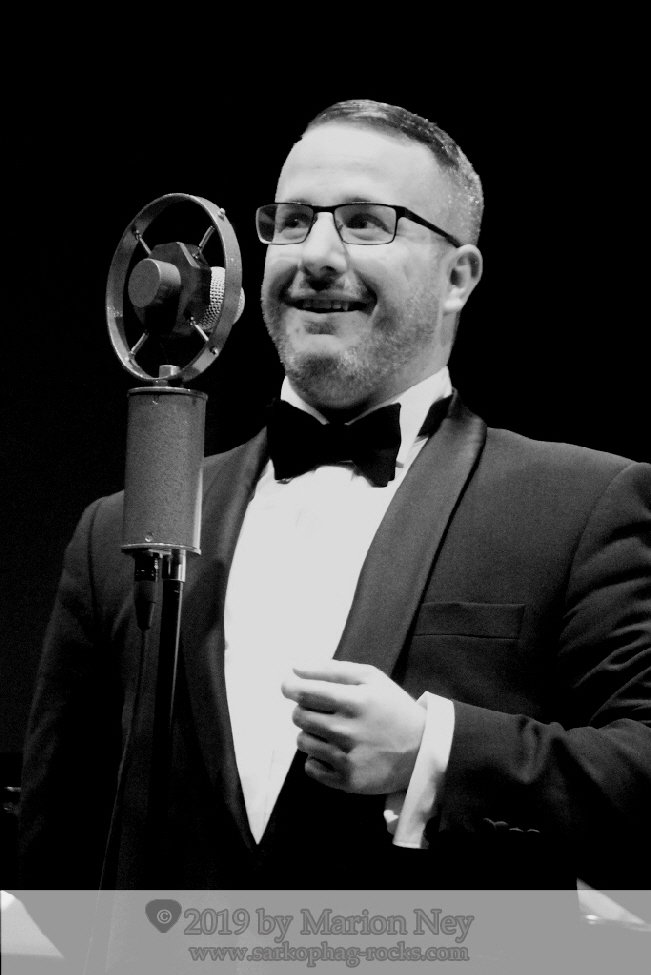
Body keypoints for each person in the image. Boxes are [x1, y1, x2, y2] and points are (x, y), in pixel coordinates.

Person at [18, 100, 651, 905]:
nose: (315, 254)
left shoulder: (581, 505)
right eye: (292, 221)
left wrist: (432, 751)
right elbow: (56, 859)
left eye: (363, 223)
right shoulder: (119, 531)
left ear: (458, 277)